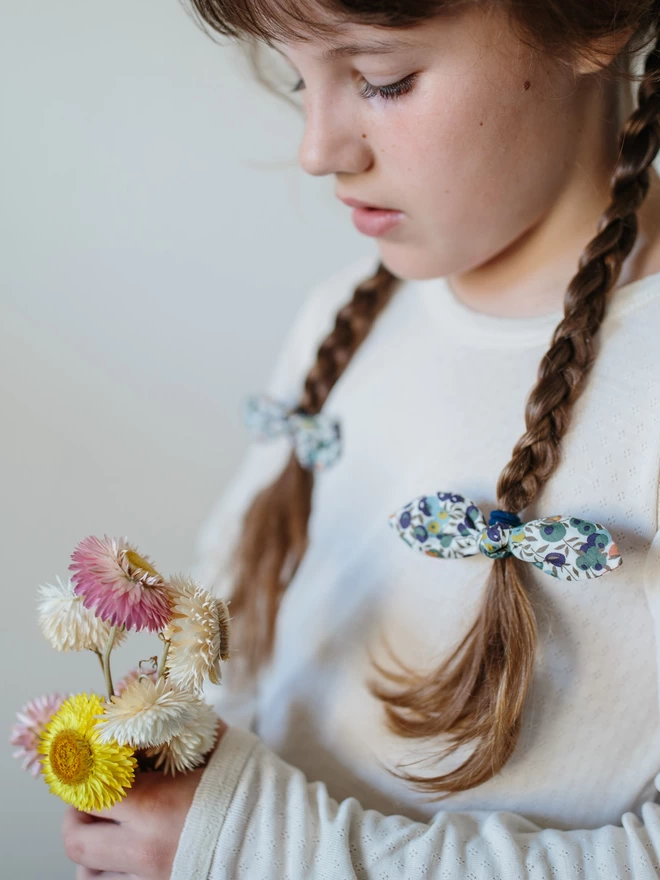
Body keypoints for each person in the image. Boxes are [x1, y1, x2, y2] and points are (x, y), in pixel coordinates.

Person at [63, 0, 660, 877]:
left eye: (384, 81)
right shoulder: (345, 314)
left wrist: (259, 847)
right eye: (299, 77)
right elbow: (242, 629)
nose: (318, 150)